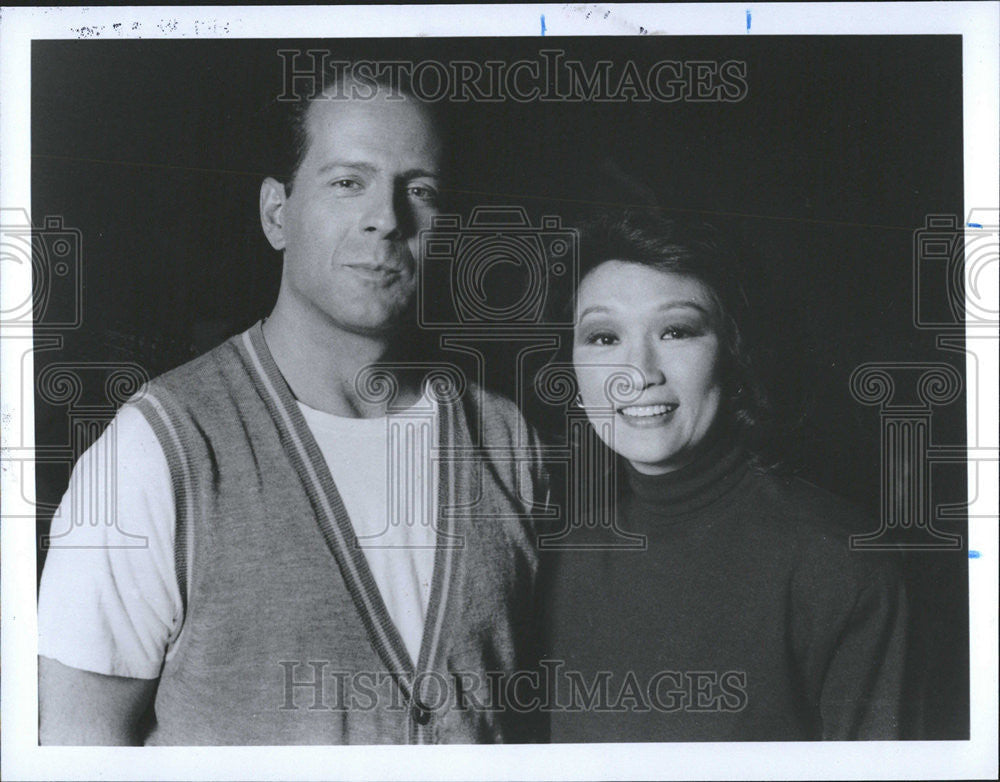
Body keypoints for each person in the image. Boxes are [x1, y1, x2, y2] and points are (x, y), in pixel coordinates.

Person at [38, 71, 548, 745]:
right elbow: (79, 743)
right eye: (347, 182)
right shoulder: (156, 449)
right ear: (276, 214)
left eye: (419, 190)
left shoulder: (509, 440)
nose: (388, 218)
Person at [540, 209, 907, 741]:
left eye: (676, 331)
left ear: (732, 355)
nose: (638, 373)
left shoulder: (841, 563)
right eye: (603, 338)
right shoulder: (554, 561)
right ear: (573, 373)